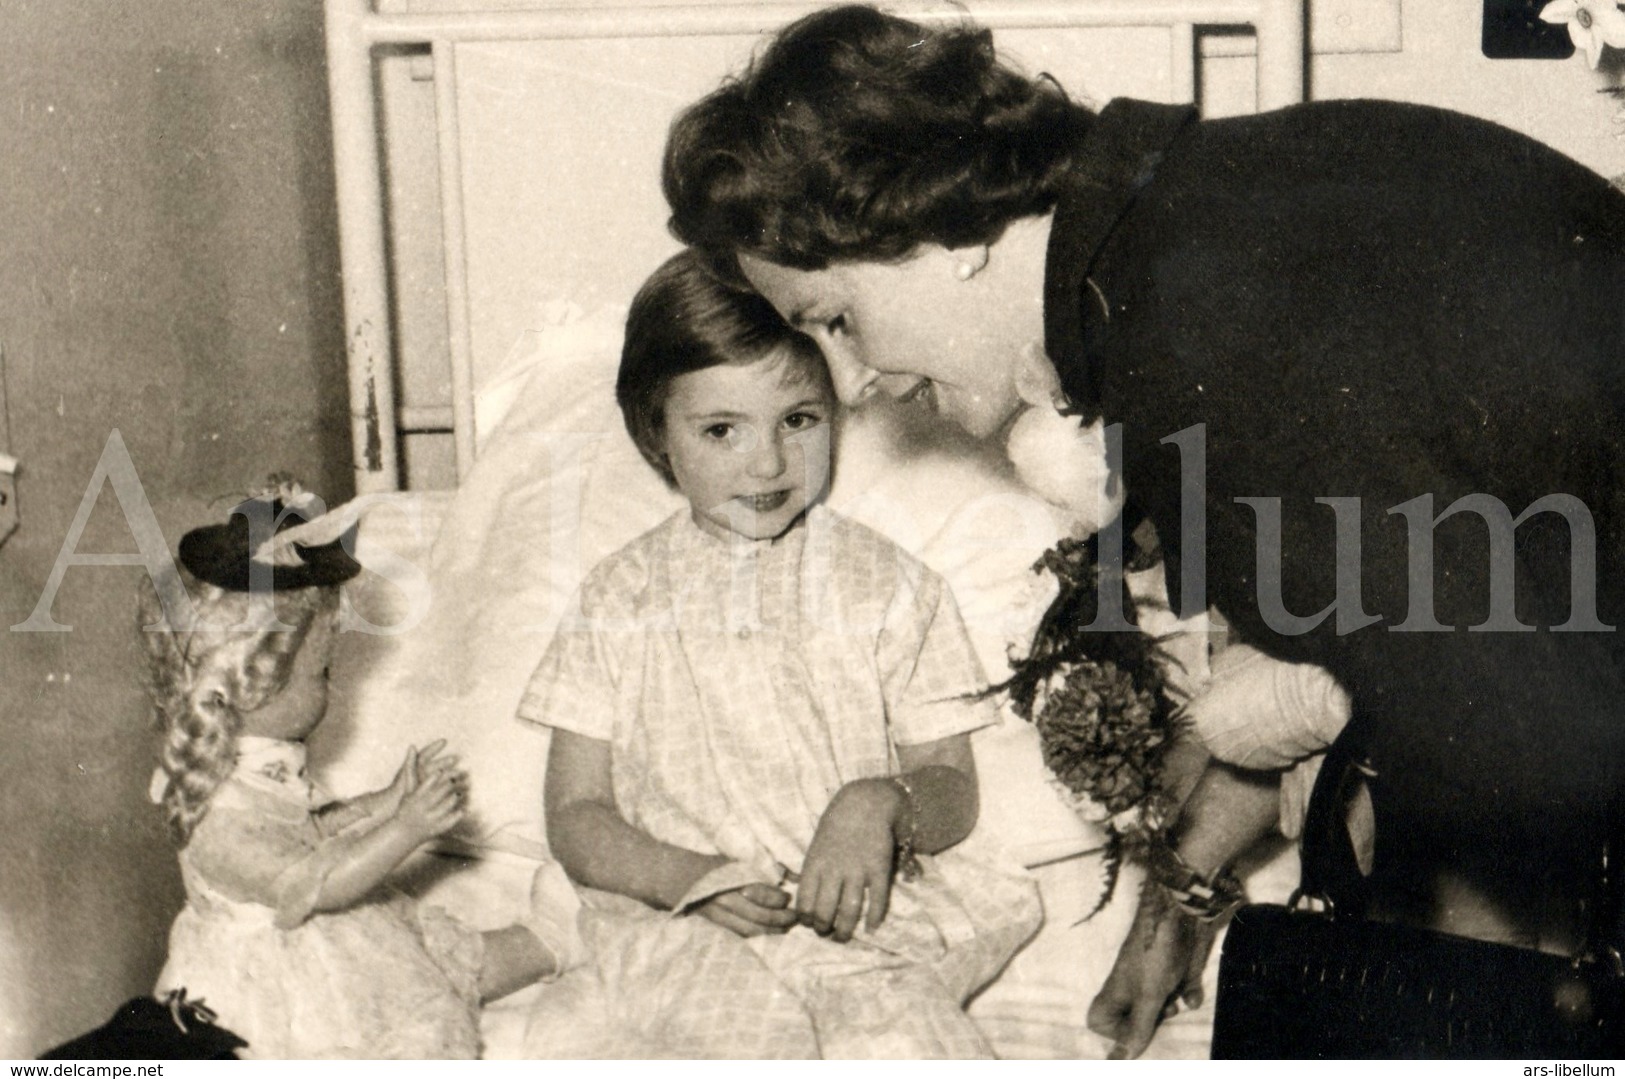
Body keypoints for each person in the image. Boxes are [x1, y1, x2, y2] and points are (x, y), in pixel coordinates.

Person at [662, 3, 1625, 1058]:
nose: (853, 382)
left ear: (943, 231)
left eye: (835, 320)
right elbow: (1356, 638)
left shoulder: (1200, 335)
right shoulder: (1198, 230)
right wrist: (1181, 893)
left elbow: (1502, 768)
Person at [517, 250, 1041, 1058]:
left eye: (798, 420)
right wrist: (685, 879)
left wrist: (879, 802)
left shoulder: (890, 585)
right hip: (683, 927)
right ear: (656, 434)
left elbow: (951, 785)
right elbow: (577, 814)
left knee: (911, 1043)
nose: (766, 464)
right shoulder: (617, 597)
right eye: (721, 429)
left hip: (858, 927)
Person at [141, 483, 581, 1059]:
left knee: (437, 952)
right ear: (251, 686)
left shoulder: (254, 766)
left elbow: (310, 833)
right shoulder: (217, 814)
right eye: (319, 673)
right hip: (280, 981)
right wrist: (406, 829)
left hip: (322, 936)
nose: (331, 685)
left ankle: (547, 942)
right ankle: (547, 944)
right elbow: (320, 883)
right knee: (406, 1009)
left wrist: (385, 801)